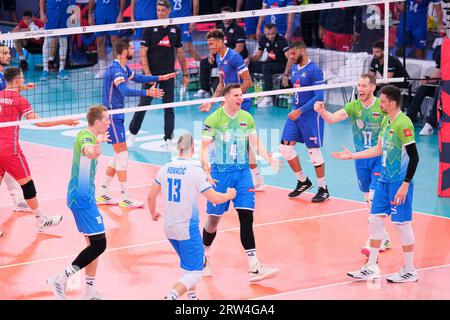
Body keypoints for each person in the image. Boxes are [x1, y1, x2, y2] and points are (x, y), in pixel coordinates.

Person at [332, 85, 420, 283]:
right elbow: (378, 149)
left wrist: (405, 184)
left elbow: (414, 157)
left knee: (402, 224)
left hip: (398, 182)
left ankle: (410, 269)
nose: (379, 104)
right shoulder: (386, 122)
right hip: (384, 180)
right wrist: (351, 156)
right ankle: (371, 265)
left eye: (382, 101)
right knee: (374, 220)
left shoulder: (403, 123)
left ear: (392, 103)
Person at [200, 84, 280, 282]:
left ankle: (254, 267)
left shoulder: (247, 117)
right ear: (226, 98)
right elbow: (203, 147)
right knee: (212, 221)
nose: (240, 98)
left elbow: (255, 142)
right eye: (236, 95)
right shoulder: (214, 119)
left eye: (241, 95)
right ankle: (202, 257)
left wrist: (268, 157)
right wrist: (205, 167)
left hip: (242, 174)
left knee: (246, 217)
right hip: (221, 174)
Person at [147, 133, 236, 300]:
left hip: (169, 227)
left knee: (190, 264)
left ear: (178, 148)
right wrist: (230, 195)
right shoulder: (196, 171)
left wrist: (153, 213)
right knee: (196, 272)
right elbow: (215, 199)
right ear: (193, 149)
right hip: (187, 228)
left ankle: (192, 296)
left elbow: (150, 197)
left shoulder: (165, 168)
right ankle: (172, 296)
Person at [314, 74, 392, 256]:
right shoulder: (354, 106)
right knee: (367, 199)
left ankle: (375, 240)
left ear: (373, 87)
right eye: (358, 85)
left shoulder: (381, 107)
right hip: (359, 158)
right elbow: (333, 118)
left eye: (364, 86)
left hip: (379, 157)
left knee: (373, 197)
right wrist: (322, 111)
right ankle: (384, 236)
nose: (361, 89)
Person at [96, 37, 176, 208]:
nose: (134, 51)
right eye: (132, 49)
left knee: (117, 155)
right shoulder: (116, 70)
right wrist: (148, 94)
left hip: (116, 116)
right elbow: (124, 90)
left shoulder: (123, 67)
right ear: (124, 51)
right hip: (111, 117)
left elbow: (138, 78)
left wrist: (160, 78)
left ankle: (103, 192)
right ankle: (125, 196)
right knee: (123, 155)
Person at [0, 67, 79, 237]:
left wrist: (22, 89)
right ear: (16, 80)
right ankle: (40, 219)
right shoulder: (19, 100)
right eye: (22, 78)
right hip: (9, 150)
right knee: (27, 183)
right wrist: (64, 121)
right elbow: (40, 123)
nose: (23, 80)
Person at [47, 105, 111, 300]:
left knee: (93, 245)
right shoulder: (85, 137)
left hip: (85, 196)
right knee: (99, 245)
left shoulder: (90, 134)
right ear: (98, 122)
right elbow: (88, 150)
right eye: (106, 119)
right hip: (82, 199)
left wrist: (98, 140)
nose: (109, 122)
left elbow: (92, 143)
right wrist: (94, 150)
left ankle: (90, 290)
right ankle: (60, 278)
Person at [199, 29, 266, 190]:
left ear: (222, 41)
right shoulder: (218, 58)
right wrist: (211, 101)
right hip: (229, 104)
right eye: (208, 44)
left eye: (212, 43)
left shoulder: (234, 57)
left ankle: (253, 179)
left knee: (234, 142)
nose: (210, 46)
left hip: (241, 103)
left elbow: (248, 82)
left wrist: (233, 99)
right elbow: (221, 85)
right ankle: (253, 179)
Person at [126, 0, 189, 150]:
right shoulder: (149, 28)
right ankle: (132, 135)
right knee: (143, 105)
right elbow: (143, 53)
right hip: (151, 74)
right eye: (158, 10)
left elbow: (180, 53)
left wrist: (185, 73)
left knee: (169, 107)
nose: (160, 13)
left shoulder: (175, 29)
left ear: (169, 11)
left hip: (168, 74)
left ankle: (168, 139)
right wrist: (148, 74)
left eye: (162, 10)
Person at [279, 41, 329, 202]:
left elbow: (319, 97)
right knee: (285, 148)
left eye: (294, 54)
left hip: (311, 115)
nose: (291, 57)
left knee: (313, 153)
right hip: (296, 114)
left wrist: (300, 110)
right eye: (290, 54)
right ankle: (303, 181)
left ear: (302, 51)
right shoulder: (294, 69)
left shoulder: (314, 70)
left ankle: (323, 188)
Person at [0, 43, 40, 215]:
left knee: (6, 168)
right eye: (5, 53)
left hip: (5, 135)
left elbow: (6, 91)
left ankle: (17, 200)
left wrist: (22, 87)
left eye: (9, 52)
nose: (9, 55)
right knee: (17, 172)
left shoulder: (3, 76)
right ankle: (37, 215)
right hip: (5, 137)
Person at [195, 6, 248, 98]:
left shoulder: (238, 29)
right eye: (223, 15)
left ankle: (231, 91)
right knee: (204, 62)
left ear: (232, 16)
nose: (225, 18)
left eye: (227, 15)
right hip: (220, 57)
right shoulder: (218, 28)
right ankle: (204, 89)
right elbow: (213, 44)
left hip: (233, 58)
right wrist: (211, 54)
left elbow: (240, 47)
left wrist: (226, 57)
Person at [249, 23, 289, 108]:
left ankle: (268, 97)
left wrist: (286, 74)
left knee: (266, 67)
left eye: (273, 34)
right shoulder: (263, 39)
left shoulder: (281, 40)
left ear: (276, 32)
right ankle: (250, 91)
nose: (270, 36)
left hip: (281, 65)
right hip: (270, 63)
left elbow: (290, 58)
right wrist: (248, 59)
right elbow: (257, 56)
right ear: (264, 33)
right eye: (268, 34)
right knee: (249, 65)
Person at [406, 45, 441, 135]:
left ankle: (430, 124)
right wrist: (427, 80)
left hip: (445, 88)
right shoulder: (441, 54)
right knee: (423, 89)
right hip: (443, 85)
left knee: (439, 90)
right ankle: (409, 117)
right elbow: (437, 73)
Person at [88, 0, 126, 79]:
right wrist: (89, 15)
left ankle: (117, 70)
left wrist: (121, 14)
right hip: (99, 12)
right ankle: (102, 69)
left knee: (115, 41)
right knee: (100, 41)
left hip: (113, 12)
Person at [39, 0, 75, 81]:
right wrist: (42, 13)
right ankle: (45, 70)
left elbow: (72, 2)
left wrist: (73, 17)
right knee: (47, 41)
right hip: (51, 13)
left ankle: (61, 69)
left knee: (63, 41)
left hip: (64, 14)